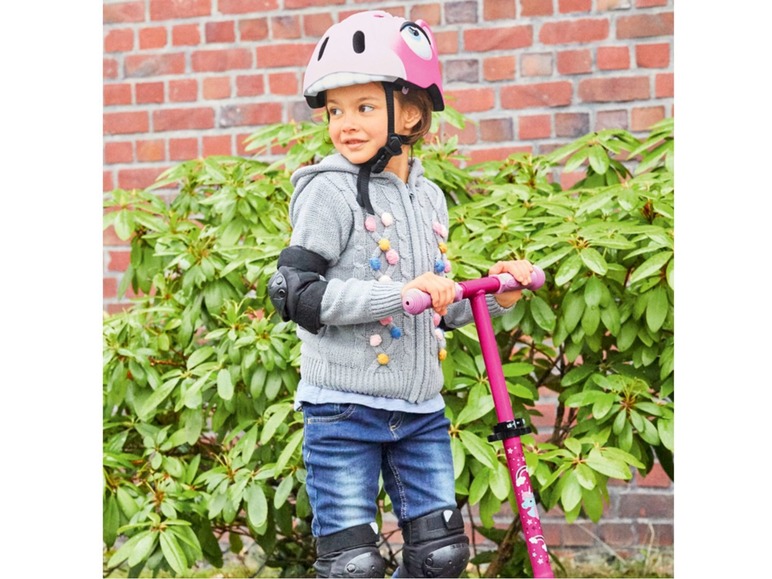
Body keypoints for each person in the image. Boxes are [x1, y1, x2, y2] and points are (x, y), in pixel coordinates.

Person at [268, 10, 534, 578]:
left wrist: (498, 296)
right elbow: (297, 295)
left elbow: (437, 309)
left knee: (441, 556)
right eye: (336, 110)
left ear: (410, 112)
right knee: (353, 566)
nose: (345, 124)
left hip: (420, 412)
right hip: (343, 409)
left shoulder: (428, 197)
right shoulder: (328, 193)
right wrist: (396, 294)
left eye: (364, 107)